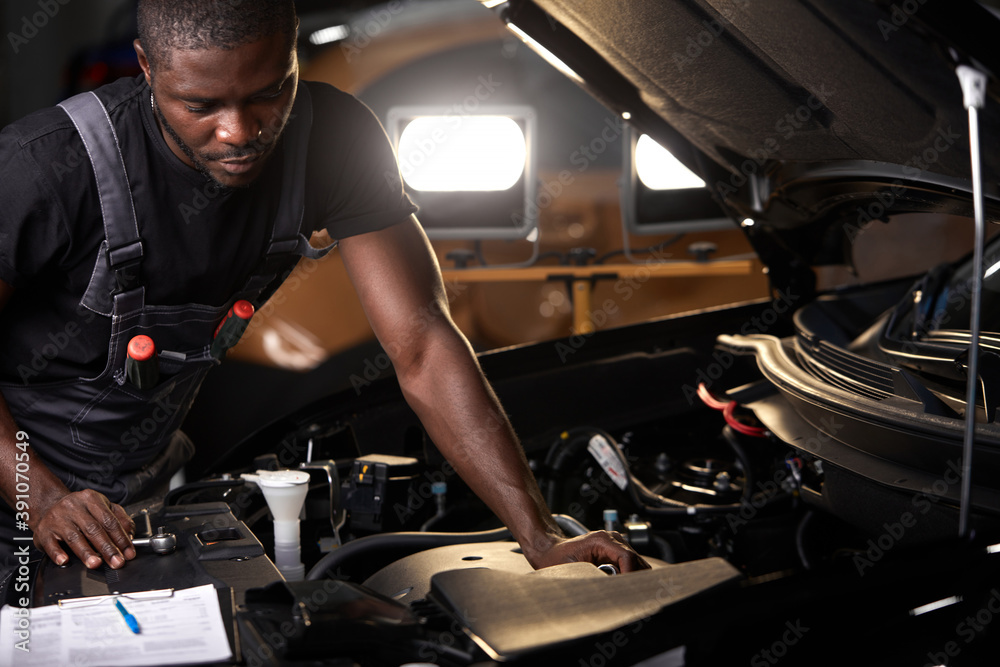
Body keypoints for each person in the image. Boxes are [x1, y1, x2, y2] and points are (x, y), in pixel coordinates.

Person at [0, 0, 647, 578]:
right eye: (200, 106)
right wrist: (42, 496)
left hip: (129, 503)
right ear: (145, 66)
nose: (240, 132)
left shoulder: (333, 140)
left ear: (291, 58)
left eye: (268, 92)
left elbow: (421, 343)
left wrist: (537, 534)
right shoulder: (46, 168)